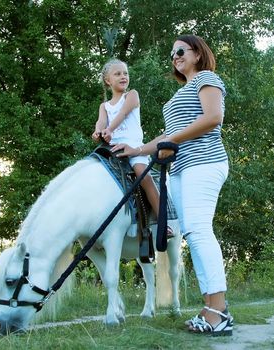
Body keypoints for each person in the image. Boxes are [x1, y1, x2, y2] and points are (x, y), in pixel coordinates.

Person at [111, 35, 232, 336]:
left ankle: (219, 309)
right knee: (193, 232)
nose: (175, 56)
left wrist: (170, 141)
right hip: (180, 169)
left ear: (198, 53)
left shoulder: (206, 77)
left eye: (180, 51)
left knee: (200, 230)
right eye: (172, 53)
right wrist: (137, 149)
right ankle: (211, 307)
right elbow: (169, 133)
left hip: (203, 163)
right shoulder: (183, 91)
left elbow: (213, 117)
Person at [92, 58, 172, 238]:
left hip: (133, 147)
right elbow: (101, 122)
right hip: (113, 148)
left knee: (143, 175)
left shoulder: (132, 95)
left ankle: (162, 220)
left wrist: (109, 130)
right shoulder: (104, 106)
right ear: (108, 80)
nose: (123, 77)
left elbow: (122, 113)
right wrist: (98, 132)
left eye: (125, 73)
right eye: (117, 74)